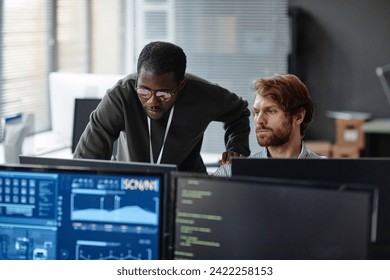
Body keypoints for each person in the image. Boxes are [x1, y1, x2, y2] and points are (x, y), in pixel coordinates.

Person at [74, 41, 251, 172]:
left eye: (163, 94)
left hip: (186, 186)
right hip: (131, 184)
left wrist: (236, 149)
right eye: (144, 91)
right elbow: (84, 161)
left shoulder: (203, 95)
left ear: (181, 85)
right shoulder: (121, 96)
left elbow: (239, 112)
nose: (152, 101)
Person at [214, 73, 326, 177]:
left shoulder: (326, 172)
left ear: (298, 117)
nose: (259, 120)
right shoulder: (231, 173)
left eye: (271, 111)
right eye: (257, 112)